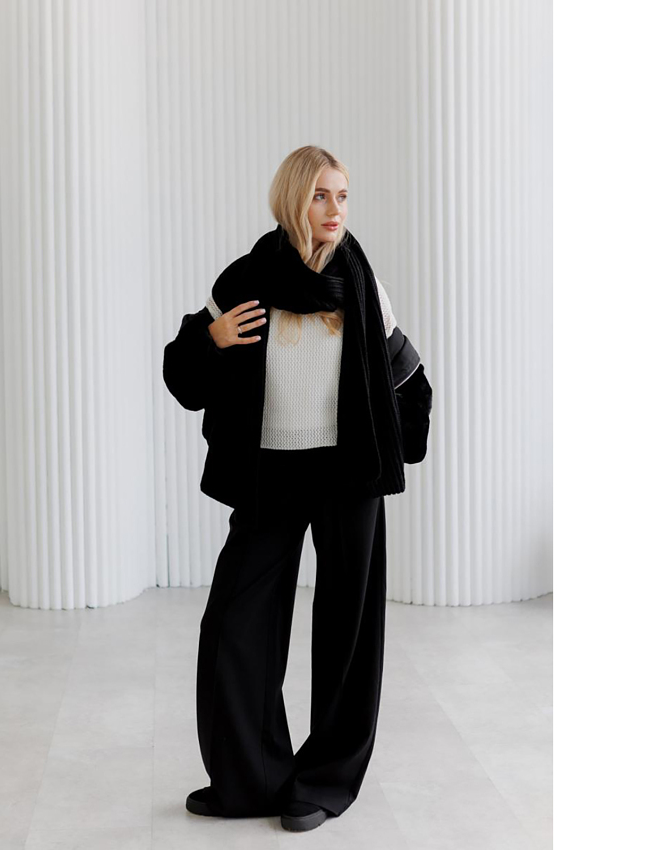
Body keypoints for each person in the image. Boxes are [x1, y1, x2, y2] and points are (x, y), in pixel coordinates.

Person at [162, 145, 433, 832]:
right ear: (292, 199)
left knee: (347, 630)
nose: (334, 209)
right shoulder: (246, 280)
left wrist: (394, 448)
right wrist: (212, 339)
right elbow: (184, 377)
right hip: (271, 474)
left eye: (342, 195)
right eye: (320, 195)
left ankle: (324, 782)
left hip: (348, 474)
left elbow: (408, 377)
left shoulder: (362, 285)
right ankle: (250, 778)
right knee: (235, 622)